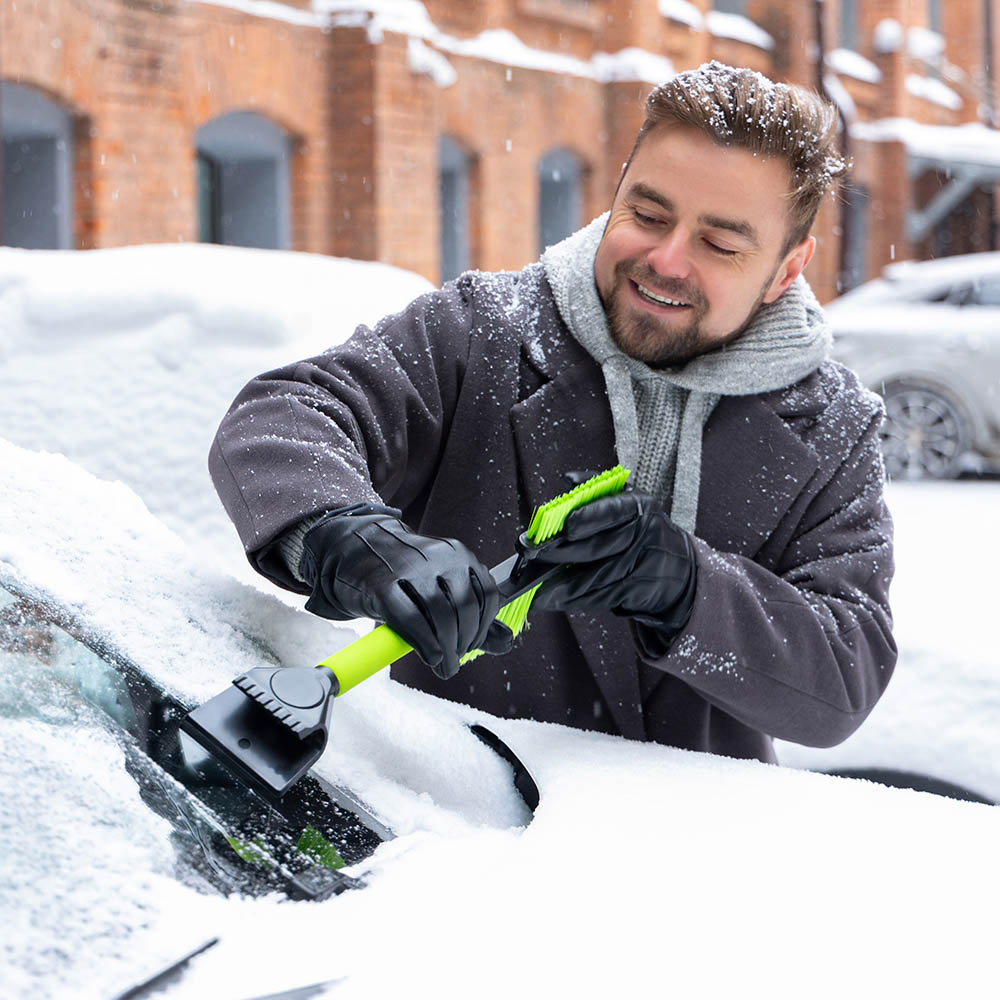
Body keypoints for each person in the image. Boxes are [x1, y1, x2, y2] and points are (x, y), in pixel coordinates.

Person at [209, 61, 896, 763]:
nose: (665, 259)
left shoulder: (834, 426)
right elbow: (284, 415)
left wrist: (686, 587)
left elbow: (845, 673)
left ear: (787, 268)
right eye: (648, 214)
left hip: (693, 845)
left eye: (719, 243)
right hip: (457, 822)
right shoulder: (484, 330)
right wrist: (350, 538)